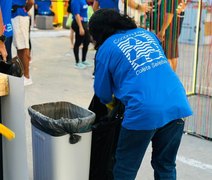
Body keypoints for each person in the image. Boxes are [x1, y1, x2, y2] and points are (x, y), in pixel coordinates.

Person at [89, 9, 192, 180]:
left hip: (143, 110)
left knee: (125, 168)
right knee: (165, 165)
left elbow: (103, 93)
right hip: (177, 103)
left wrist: (112, 105)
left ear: (99, 32)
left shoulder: (106, 48)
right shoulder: (147, 34)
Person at [155, 0, 187, 71]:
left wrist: (162, 30)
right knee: (171, 55)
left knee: (168, 55)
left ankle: (169, 78)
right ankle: (172, 77)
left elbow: (170, 13)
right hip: (172, 24)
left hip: (170, 25)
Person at [11, 0, 34, 86]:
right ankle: (23, 74)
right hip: (15, 15)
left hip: (19, 16)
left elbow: (31, 2)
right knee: (19, 47)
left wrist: (23, 10)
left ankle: (26, 76)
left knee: (23, 47)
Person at [71, 0, 93, 69]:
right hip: (78, 23)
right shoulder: (75, 1)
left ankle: (84, 60)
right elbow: (77, 14)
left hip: (85, 23)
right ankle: (77, 62)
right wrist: (80, 27)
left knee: (87, 41)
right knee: (78, 42)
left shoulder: (83, 0)